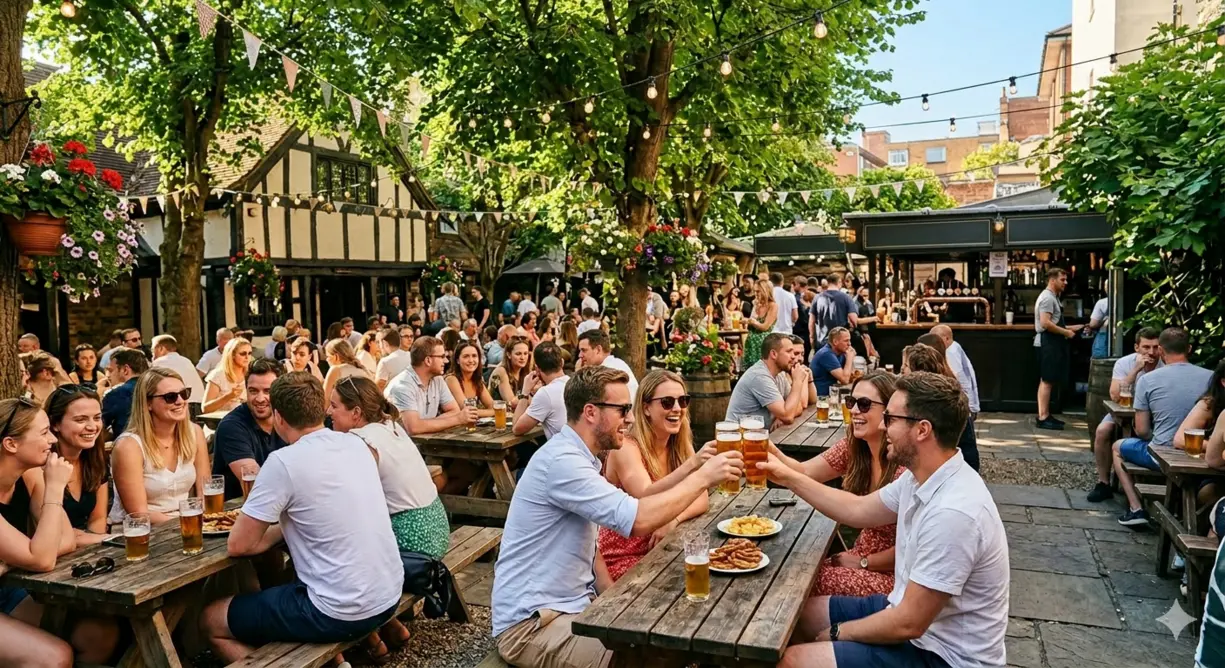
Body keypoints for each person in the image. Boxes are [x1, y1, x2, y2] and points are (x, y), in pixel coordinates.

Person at [491, 366, 743, 668]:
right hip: (532, 625)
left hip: (575, 607)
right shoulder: (562, 463)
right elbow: (638, 520)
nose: (630, 418)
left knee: (681, 634)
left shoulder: (581, 458)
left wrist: (614, 600)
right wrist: (703, 477)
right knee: (648, 653)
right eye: (623, 409)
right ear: (590, 412)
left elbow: (590, 546)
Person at [759, 372, 1008, 668]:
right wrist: (788, 478)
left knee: (792, 661)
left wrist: (839, 632)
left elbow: (908, 624)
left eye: (890, 418)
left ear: (922, 430)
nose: (883, 425)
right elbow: (858, 510)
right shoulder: (921, 478)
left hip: (943, 655)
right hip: (907, 614)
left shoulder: (954, 512)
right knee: (800, 615)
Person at [200, 372, 403, 664]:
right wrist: (291, 526)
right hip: (388, 595)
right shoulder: (358, 444)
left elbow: (239, 546)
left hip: (339, 610)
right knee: (282, 585)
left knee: (211, 620)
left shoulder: (283, 461)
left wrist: (278, 530)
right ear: (321, 409)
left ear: (278, 417)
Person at [327, 374, 449, 653]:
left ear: (356, 412)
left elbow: (352, 503)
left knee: (336, 557)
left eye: (334, 406)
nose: (328, 412)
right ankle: (389, 627)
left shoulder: (359, 440)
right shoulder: (390, 424)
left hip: (414, 547)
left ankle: (367, 636)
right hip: (437, 528)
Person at [0, 397, 117, 667]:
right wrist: (54, 488)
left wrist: (16, 557)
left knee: (100, 635)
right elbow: (42, 560)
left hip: (11, 590)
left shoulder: (28, 476)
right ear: (11, 444)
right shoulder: (42, 478)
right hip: (14, 592)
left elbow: (65, 540)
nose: (53, 440)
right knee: (54, 657)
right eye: (44, 433)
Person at [768, 372, 902, 597]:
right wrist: (768, 449)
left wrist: (863, 562)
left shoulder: (903, 463)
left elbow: (913, 548)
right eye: (851, 402)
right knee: (795, 571)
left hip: (892, 574)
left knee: (797, 582)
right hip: (859, 557)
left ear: (889, 411)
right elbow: (806, 472)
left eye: (865, 404)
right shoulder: (855, 447)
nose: (854, 410)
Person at [598, 369, 710, 581]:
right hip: (624, 557)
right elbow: (645, 496)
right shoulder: (627, 447)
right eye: (667, 402)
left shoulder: (679, 444)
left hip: (662, 549)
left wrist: (674, 519)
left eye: (683, 401)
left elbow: (702, 496)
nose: (677, 408)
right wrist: (693, 465)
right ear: (646, 408)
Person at [1113, 327, 1213, 527]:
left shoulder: (1148, 380)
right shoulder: (1212, 378)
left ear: (1160, 351)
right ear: (1190, 348)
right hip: (1202, 453)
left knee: (1117, 447)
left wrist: (1157, 435)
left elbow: (1141, 431)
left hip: (1162, 455)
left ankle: (1136, 509)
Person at [109, 368, 211, 526]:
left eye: (184, 394)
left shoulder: (194, 433)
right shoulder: (129, 446)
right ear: (148, 403)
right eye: (170, 397)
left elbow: (206, 491)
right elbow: (138, 514)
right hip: (138, 533)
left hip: (187, 525)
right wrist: (189, 520)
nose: (180, 401)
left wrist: (206, 522)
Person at [1086, 327, 1162, 503]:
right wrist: (1135, 370)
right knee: (1103, 430)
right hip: (1126, 412)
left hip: (1155, 415)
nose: (1152, 352)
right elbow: (1114, 396)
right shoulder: (1124, 363)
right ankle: (1103, 482)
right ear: (1137, 348)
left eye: (1156, 347)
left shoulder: (1165, 364)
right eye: (1146, 347)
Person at [32, 386, 110, 546]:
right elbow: (53, 533)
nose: (92, 426)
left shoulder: (96, 458)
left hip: (90, 547)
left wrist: (92, 541)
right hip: (51, 554)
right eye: (80, 420)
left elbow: (98, 519)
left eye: (97, 418)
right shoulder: (40, 465)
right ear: (55, 424)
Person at [212, 359, 286, 500]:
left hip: (278, 504)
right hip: (237, 510)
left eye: (267, 391)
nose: (260, 398)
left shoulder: (289, 419)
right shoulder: (231, 426)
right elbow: (254, 481)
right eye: (253, 391)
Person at [904, 342, 981, 472]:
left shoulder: (939, 401)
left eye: (905, 366)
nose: (902, 370)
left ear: (916, 371)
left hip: (956, 468)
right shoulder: (940, 392)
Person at [385, 336, 476, 436]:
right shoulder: (402, 386)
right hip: (400, 447)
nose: (446, 361)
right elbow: (414, 428)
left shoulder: (437, 379)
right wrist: (458, 419)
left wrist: (425, 423)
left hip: (424, 443)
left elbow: (454, 410)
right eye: (442, 357)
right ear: (428, 360)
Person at [1034, 268, 1083, 431]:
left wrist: (1074, 328)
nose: (1066, 283)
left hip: (1052, 341)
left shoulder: (1053, 297)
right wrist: (1066, 332)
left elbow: (1053, 323)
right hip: (1048, 342)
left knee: (1049, 379)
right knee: (1047, 380)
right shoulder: (1047, 298)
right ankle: (1043, 416)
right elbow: (1045, 323)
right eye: (1062, 279)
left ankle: (1046, 414)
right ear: (1052, 280)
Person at [726, 332, 808, 427]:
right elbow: (788, 416)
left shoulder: (779, 374)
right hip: (738, 437)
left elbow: (798, 406)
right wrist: (797, 381)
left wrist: (780, 416)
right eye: (789, 352)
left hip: (758, 436)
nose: (793, 356)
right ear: (773, 354)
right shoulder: (759, 376)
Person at [513, 342, 570, 439]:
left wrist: (525, 392)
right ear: (562, 362)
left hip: (563, 451)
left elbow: (517, 429)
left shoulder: (546, 393)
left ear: (537, 369)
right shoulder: (573, 382)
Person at [151, 335, 206, 416]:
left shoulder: (159, 362)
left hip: (181, 404)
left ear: (161, 348)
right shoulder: (186, 361)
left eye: (153, 349)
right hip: (198, 404)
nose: (152, 353)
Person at [576, 330, 638, 400]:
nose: (580, 355)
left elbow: (581, 399)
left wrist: (578, 373)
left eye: (584, 350)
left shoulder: (608, 370)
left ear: (598, 350)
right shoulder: (615, 363)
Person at [101, 348, 149, 437]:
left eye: (111, 370)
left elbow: (98, 427)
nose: (108, 376)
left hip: (129, 446)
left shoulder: (117, 393)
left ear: (125, 370)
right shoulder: (159, 388)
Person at [445, 341, 496, 417]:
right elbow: (466, 410)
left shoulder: (477, 380)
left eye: (474, 356)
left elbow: (493, 406)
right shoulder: (451, 379)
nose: (471, 360)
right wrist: (492, 412)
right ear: (457, 360)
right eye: (466, 356)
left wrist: (494, 411)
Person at [204, 338, 253, 414]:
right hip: (220, 422)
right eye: (243, 354)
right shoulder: (218, 375)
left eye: (249, 353)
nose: (247, 357)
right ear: (232, 355)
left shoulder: (251, 375)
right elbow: (205, 408)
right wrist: (228, 397)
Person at [811, 273, 858, 349]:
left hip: (821, 340)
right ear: (839, 282)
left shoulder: (817, 297)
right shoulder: (846, 297)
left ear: (828, 282)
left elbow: (811, 320)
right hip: (840, 340)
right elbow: (854, 319)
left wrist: (812, 337)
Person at [322, 339, 373, 408]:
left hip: (342, 415)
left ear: (336, 356)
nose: (326, 359)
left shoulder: (335, 370)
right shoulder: (363, 370)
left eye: (328, 356)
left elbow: (325, 399)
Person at [810, 327, 856, 396]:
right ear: (835, 342)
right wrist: (850, 358)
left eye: (849, 340)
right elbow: (845, 380)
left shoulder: (841, 353)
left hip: (831, 395)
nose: (849, 344)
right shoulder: (826, 354)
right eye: (846, 341)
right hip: (819, 398)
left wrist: (849, 358)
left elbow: (851, 376)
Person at [490, 337, 533, 410]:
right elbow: (511, 403)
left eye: (525, 353)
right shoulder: (501, 371)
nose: (523, 357)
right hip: (497, 416)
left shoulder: (525, 372)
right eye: (518, 354)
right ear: (509, 355)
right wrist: (530, 393)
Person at [775, 335, 817, 409]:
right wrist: (802, 379)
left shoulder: (797, 370)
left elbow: (813, 401)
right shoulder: (781, 373)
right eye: (796, 354)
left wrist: (810, 379)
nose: (800, 358)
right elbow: (803, 404)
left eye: (802, 354)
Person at [742, 280, 778, 367]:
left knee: (762, 369)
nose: (756, 294)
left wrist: (753, 322)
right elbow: (752, 321)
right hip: (751, 343)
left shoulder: (773, 305)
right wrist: (747, 321)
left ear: (765, 290)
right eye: (755, 291)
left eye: (758, 291)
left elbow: (765, 327)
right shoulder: (757, 304)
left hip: (763, 343)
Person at [1088, 295, 1110, 359]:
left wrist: (1104, 320)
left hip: (1104, 336)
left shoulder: (1102, 302)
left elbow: (1093, 324)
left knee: (1099, 360)